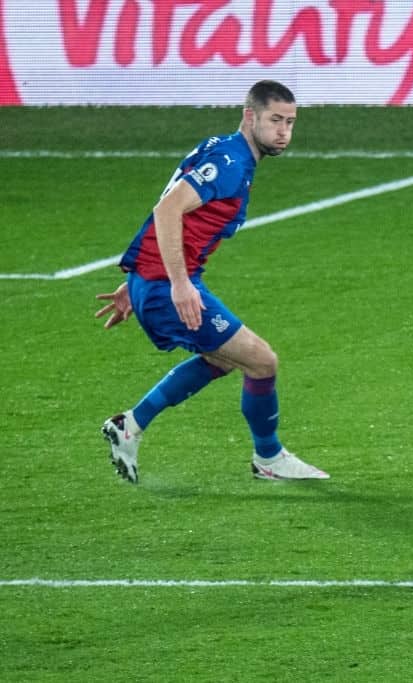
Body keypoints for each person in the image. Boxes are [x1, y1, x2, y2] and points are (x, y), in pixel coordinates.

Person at [94, 79, 328, 483]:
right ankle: (269, 458)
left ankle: (129, 425)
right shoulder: (230, 163)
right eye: (275, 120)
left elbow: (171, 211)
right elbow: (167, 210)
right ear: (249, 116)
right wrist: (176, 283)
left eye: (290, 123)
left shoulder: (223, 150)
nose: (284, 132)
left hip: (154, 281)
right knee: (262, 361)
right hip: (167, 285)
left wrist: (136, 279)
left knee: (223, 358)